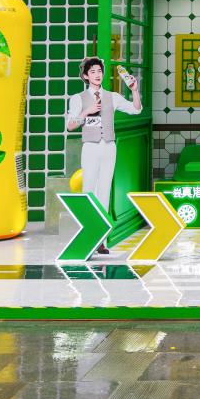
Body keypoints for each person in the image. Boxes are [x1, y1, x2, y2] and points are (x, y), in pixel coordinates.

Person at [65, 57, 142, 255]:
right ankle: (88, 236)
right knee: (89, 190)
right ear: (85, 76)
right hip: (90, 147)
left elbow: (136, 109)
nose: (97, 75)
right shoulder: (78, 98)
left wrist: (134, 90)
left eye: (99, 71)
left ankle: (101, 240)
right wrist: (86, 111)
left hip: (109, 147)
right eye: (92, 72)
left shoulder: (112, 97)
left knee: (104, 192)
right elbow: (70, 125)